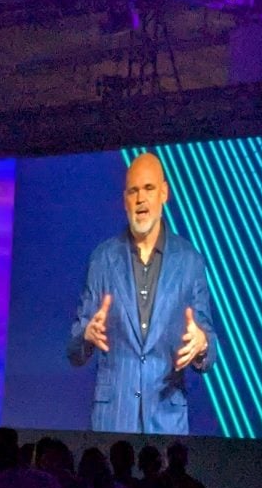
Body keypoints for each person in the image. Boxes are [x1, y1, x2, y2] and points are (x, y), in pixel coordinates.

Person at [68, 151, 219, 435]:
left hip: (167, 419)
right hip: (113, 419)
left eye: (149, 188)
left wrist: (201, 344)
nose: (140, 199)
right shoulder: (102, 259)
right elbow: (74, 351)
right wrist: (86, 334)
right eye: (133, 191)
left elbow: (208, 345)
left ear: (164, 193)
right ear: (124, 199)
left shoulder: (190, 261)